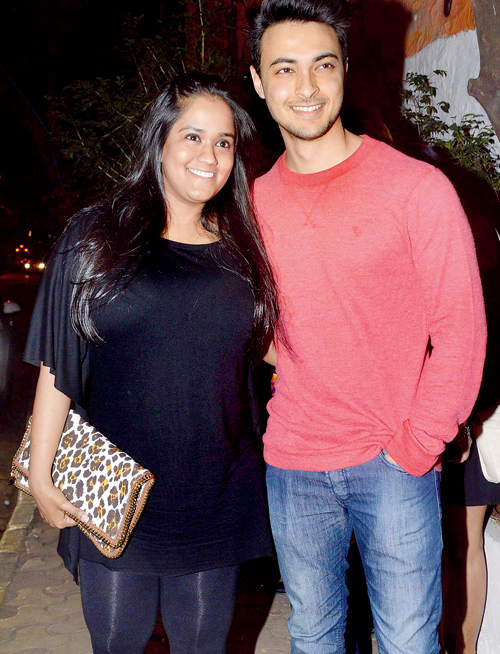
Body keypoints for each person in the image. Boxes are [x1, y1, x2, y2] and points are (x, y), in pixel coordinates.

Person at [248, 1, 487, 653]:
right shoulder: (254, 202)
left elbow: (462, 331)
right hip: (294, 461)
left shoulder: (416, 188)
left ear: (346, 70)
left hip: (394, 461)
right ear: (259, 81)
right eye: (285, 69)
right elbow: (252, 325)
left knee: (408, 640)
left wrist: (417, 443)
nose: (305, 87)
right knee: (313, 635)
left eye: (322, 65)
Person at [24, 73, 282, 654]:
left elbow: (277, 347)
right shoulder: (96, 236)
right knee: (119, 641)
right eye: (192, 136)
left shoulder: (246, 246)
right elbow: (59, 363)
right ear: (159, 140)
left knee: (203, 645)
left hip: (216, 489)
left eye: (223, 142)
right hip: (117, 490)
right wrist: (41, 473)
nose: (209, 156)